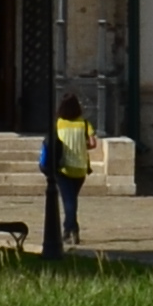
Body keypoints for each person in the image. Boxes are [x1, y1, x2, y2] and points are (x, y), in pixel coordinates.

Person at [40, 93, 92, 256]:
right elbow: (92, 143)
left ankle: (67, 230)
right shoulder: (84, 124)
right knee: (72, 199)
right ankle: (73, 228)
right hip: (81, 168)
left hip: (64, 168)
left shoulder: (58, 124)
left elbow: (52, 143)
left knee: (69, 201)